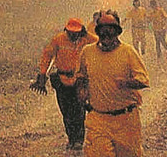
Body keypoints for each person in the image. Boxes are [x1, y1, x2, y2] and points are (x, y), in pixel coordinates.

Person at [76, 10, 150, 156]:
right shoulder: (87, 52)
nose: (106, 36)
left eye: (110, 31)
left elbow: (144, 80)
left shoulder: (128, 52)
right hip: (98, 119)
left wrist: (127, 83)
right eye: (102, 32)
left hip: (126, 121)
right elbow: (81, 76)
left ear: (117, 32)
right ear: (98, 33)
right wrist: (81, 91)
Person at [30, 17, 98, 150]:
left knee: (79, 110)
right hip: (62, 80)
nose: (73, 35)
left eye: (76, 32)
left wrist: (87, 34)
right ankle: (71, 138)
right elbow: (47, 55)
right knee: (66, 111)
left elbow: (98, 42)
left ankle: (79, 140)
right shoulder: (58, 39)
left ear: (80, 32)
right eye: (71, 32)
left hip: (78, 80)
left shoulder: (85, 40)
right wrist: (42, 73)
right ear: (66, 30)